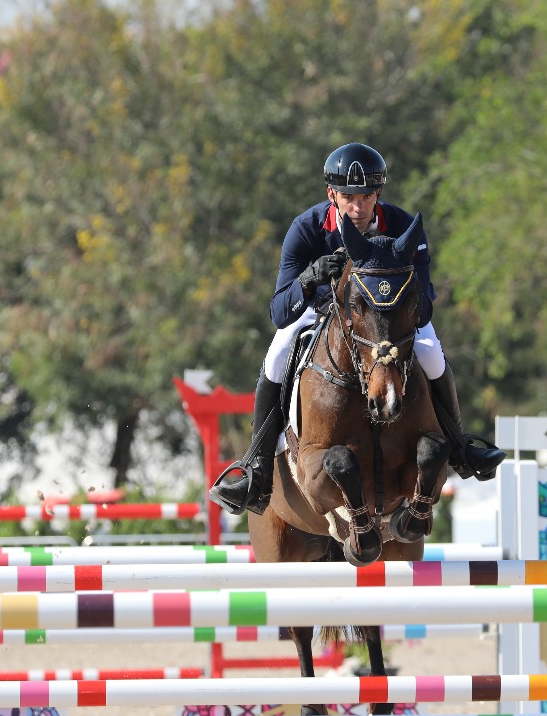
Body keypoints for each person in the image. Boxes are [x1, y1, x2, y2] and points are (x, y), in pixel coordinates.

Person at [210, 142, 505, 516]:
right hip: (320, 314)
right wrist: (309, 278)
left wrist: (402, 287)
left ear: (377, 193)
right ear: (331, 193)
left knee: (431, 352)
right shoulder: (306, 228)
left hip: (386, 322)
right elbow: (279, 311)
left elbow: (426, 302)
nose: (358, 207)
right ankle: (257, 469)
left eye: (366, 196)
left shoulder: (403, 227)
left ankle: (461, 447)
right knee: (277, 355)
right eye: (348, 196)